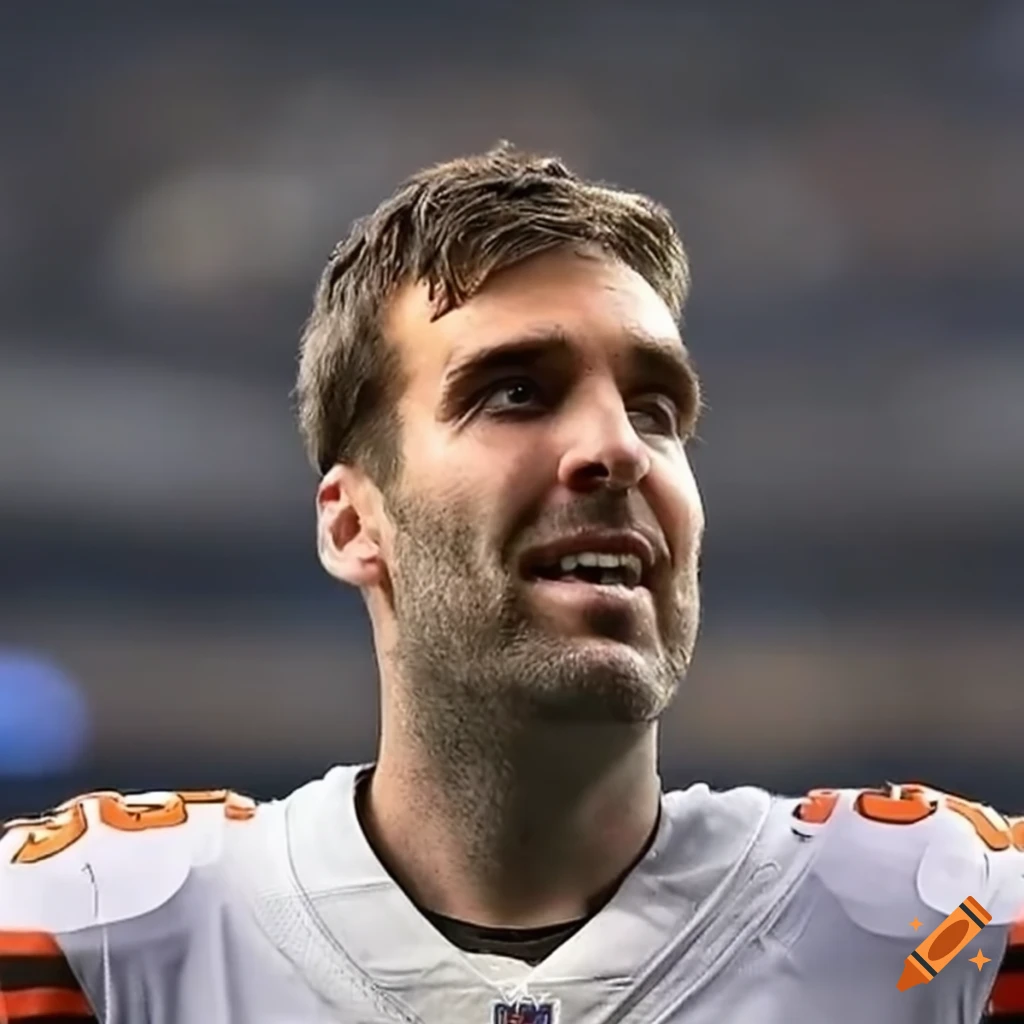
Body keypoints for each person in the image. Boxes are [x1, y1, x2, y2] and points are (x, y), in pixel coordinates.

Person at [0, 144, 1021, 1024]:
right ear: (354, 523)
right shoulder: (86, 937)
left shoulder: (951, 932)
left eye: (657, 409)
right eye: (516, 392)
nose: (618, 447)